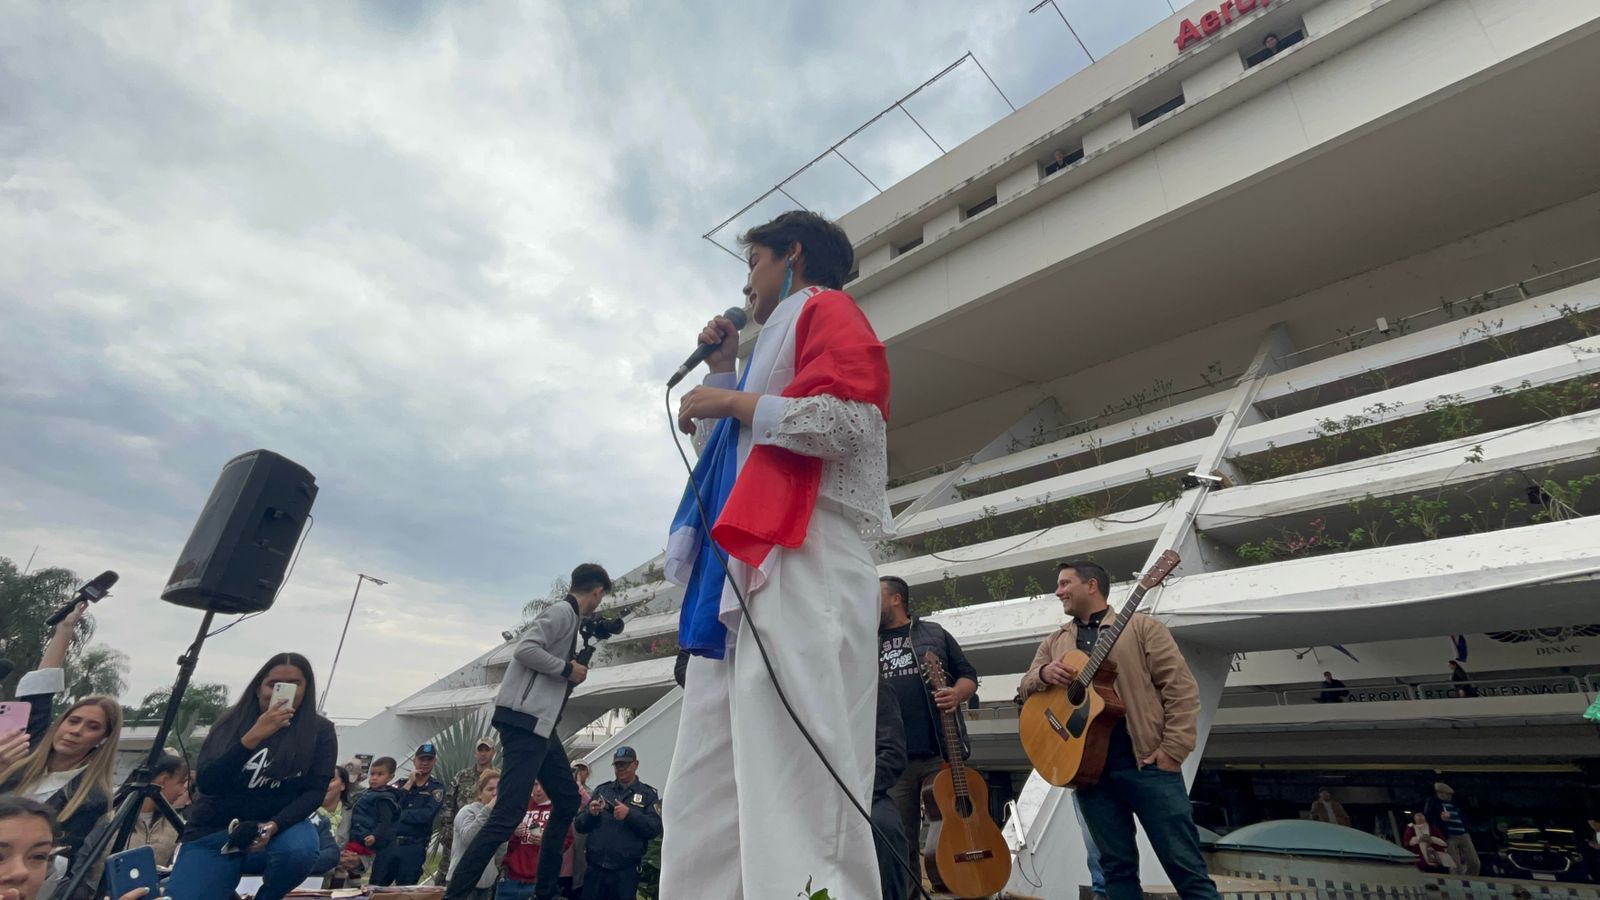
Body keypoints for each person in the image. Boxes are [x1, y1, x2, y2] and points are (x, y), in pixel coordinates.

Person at [662, 210, 892, 898]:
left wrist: (733, 399)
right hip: (742, 569)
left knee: (796, 778)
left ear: (792, 254)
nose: (746, 285)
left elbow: (850, 423)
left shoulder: (826, 306)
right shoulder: (769, 347)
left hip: (802, 548)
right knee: (705, 795)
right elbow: (735, 463)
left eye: (753, 264)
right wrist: (726, 373)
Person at [1019, 561, 1220, 900]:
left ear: (1092, 585)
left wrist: (1172, 751)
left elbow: (1181, 689)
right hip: (1089, 774)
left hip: (1147, 764)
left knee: (1186, 868)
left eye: (1065, 583)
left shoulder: (1142, 627)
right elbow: (1025, 687)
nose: (1058, 592)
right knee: (1115, 870)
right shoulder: (1055, 641)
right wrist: (1042, 675)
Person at [444, 563, 608, 900]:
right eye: (600, 598)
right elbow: (525, 649)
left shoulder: (570, 619)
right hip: (525, 722)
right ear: (597, 592)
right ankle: (455, 894)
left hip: (541, 727)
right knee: (507, 814)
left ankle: (543, 890)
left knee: (566, 799)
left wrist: (569, 671)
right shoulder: (562, 612)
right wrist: (566, 668)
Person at [165, 652, 338, 900]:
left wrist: (274, 825)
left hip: (278, 827)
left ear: (306, 689)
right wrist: (253, 737)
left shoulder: (320, 730)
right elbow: (208, 783)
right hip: (215, 828)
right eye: (273, 684)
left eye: (294, 684)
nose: (282, 691)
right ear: (258, 688)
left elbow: (315, 791)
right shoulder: (231, 721)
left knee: (300, 850)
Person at [0, 600, 121, 896]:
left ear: (103, 739)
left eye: (92, 727)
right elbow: (41, 689)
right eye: (73, 720)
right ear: (59, 723)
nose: (76, 731)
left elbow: (71, 865)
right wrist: (65, 630)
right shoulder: (22, 752)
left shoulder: (92, 798)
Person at [877, 574, 979, 896]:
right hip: (893, 761)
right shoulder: (864, 639)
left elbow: (968, 675)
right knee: (901, 838)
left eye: (876, 594)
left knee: (953, 829)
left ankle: (965, 885)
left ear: (896, 599)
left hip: (939, 752)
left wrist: (956, 693)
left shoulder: (934, 633)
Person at [573, 747, 660, 900]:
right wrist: (591, 813)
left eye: (625, 765)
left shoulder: (648, 795)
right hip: (596, 870)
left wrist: (630, 814)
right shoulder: (602, 790)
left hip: (625, 873)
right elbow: (580, 825)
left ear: (636, 764)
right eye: (617, 765)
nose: (620, 769)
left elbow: (654, 828)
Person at [373, 743, 444, 885]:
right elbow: (389, 808)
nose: (425, 763)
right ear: (414, 760)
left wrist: (400, 815)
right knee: (376, 888)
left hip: (413, 847)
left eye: (429, 760)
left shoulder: (436, 788)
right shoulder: (401, 784)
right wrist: (410, 782)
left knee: (406, 891)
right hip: (389, 846)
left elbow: (426, 815)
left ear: (434, 761)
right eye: (422, 759)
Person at [438, 736, 498, 884]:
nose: (483, 754)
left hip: (486, 833)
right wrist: (448, 831)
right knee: (447, 876)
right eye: (480, 750)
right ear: (475, 753)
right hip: (460, 832)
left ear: (493, 752)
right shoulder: (462, 775)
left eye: (487, 750)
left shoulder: (498, 777)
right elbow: (449, 804)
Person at [498, 780, 572, 900]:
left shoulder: (558, 810)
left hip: (538, 883)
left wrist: (547, 841)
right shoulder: (521, 806)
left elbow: (566, 841)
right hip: (510, 880)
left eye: (543, 784)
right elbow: (503, 843)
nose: (538, 789)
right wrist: (514, 833)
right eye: (535, 784)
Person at [871, 683, 909, 900]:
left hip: (865, 792)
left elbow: (892, 753)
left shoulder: (877, 689)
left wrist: (863, 789)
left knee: (886, 827)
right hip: (803, 794)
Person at [342, 756, 402, 881]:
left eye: (380, 774)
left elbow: (385, 822)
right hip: (358, 834)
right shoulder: (366, 793)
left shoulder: (384, 799)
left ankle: (352, 883)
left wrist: (375, 835)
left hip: (365, 838)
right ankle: (353, 881)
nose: (374, 778)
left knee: (344, 860)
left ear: (390, 777)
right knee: (349, 862)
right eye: (372, 774)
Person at [124, 754, 189, 866]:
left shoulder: (174, 827)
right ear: (163, 780)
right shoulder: (109, 820)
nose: (182, 791)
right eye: (182, 783)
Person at [447, 768, 502, 900]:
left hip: (485, 886)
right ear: (480, 793)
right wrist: (488, 809)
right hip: (462, 886)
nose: (495, 793)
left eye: (499, 789)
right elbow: (470, 839)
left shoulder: (498, 817)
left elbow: (500, 852)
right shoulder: (467, 811)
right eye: (490, 789)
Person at [1424, 783, 1480, 875]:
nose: (1450, 796)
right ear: (1440, 793)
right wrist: (1440, 818)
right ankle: (1457, 880)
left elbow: (1463, 816)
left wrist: (1466, 828)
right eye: (1447, 794)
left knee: (1474, 862)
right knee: (1454, 864)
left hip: (1463, 834)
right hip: (1449, 836)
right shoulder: (1433, 803)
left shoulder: (1455, 804)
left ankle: (1471, 878)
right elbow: (1429, 818)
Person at [561, 764, 592, 900]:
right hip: (566, 842)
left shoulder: (592, 792)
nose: (578, 772)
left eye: (582, 769)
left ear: (588, 773)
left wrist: (578, 785)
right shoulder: (563, 790)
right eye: (575, 769)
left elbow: (590, 805)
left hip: (582, 842)